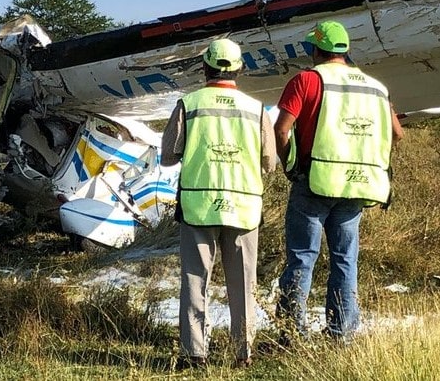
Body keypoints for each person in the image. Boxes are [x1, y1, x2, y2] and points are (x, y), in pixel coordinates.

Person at [274, 20, 404, 342]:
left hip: (314, 181)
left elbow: (281, 129)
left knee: (303, 258)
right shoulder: (376, 88)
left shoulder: (306, 80)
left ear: (316, 50)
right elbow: (397, 135)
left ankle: (292, 334)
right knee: (345, 262)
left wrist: (290, 165)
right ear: (345, 51)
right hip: (357, 186)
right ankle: (341, 334)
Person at [161, 38, 276, 368]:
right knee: (243, 283)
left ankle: (195, 353)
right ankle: (244, 353)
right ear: (240, 69)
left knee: (195, 281)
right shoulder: (256, 109)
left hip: (199, 205)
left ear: (205, 68)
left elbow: (169, 155)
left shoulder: (189, 103)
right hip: (244, 208)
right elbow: (269, 161)